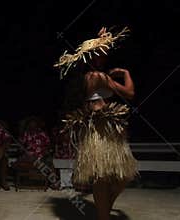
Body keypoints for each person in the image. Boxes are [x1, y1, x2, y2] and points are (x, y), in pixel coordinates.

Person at [55, 27, 138, 220]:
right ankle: (104, 216)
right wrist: (125, 74)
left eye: (104, 54)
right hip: (98, 133)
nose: (103, 58)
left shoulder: (92, 77)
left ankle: (104, 214)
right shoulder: (98, 77)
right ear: (90, 57)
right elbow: (130, 93)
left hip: (107, 131)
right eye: (98, 54)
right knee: (102, 175)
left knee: (121, 176)